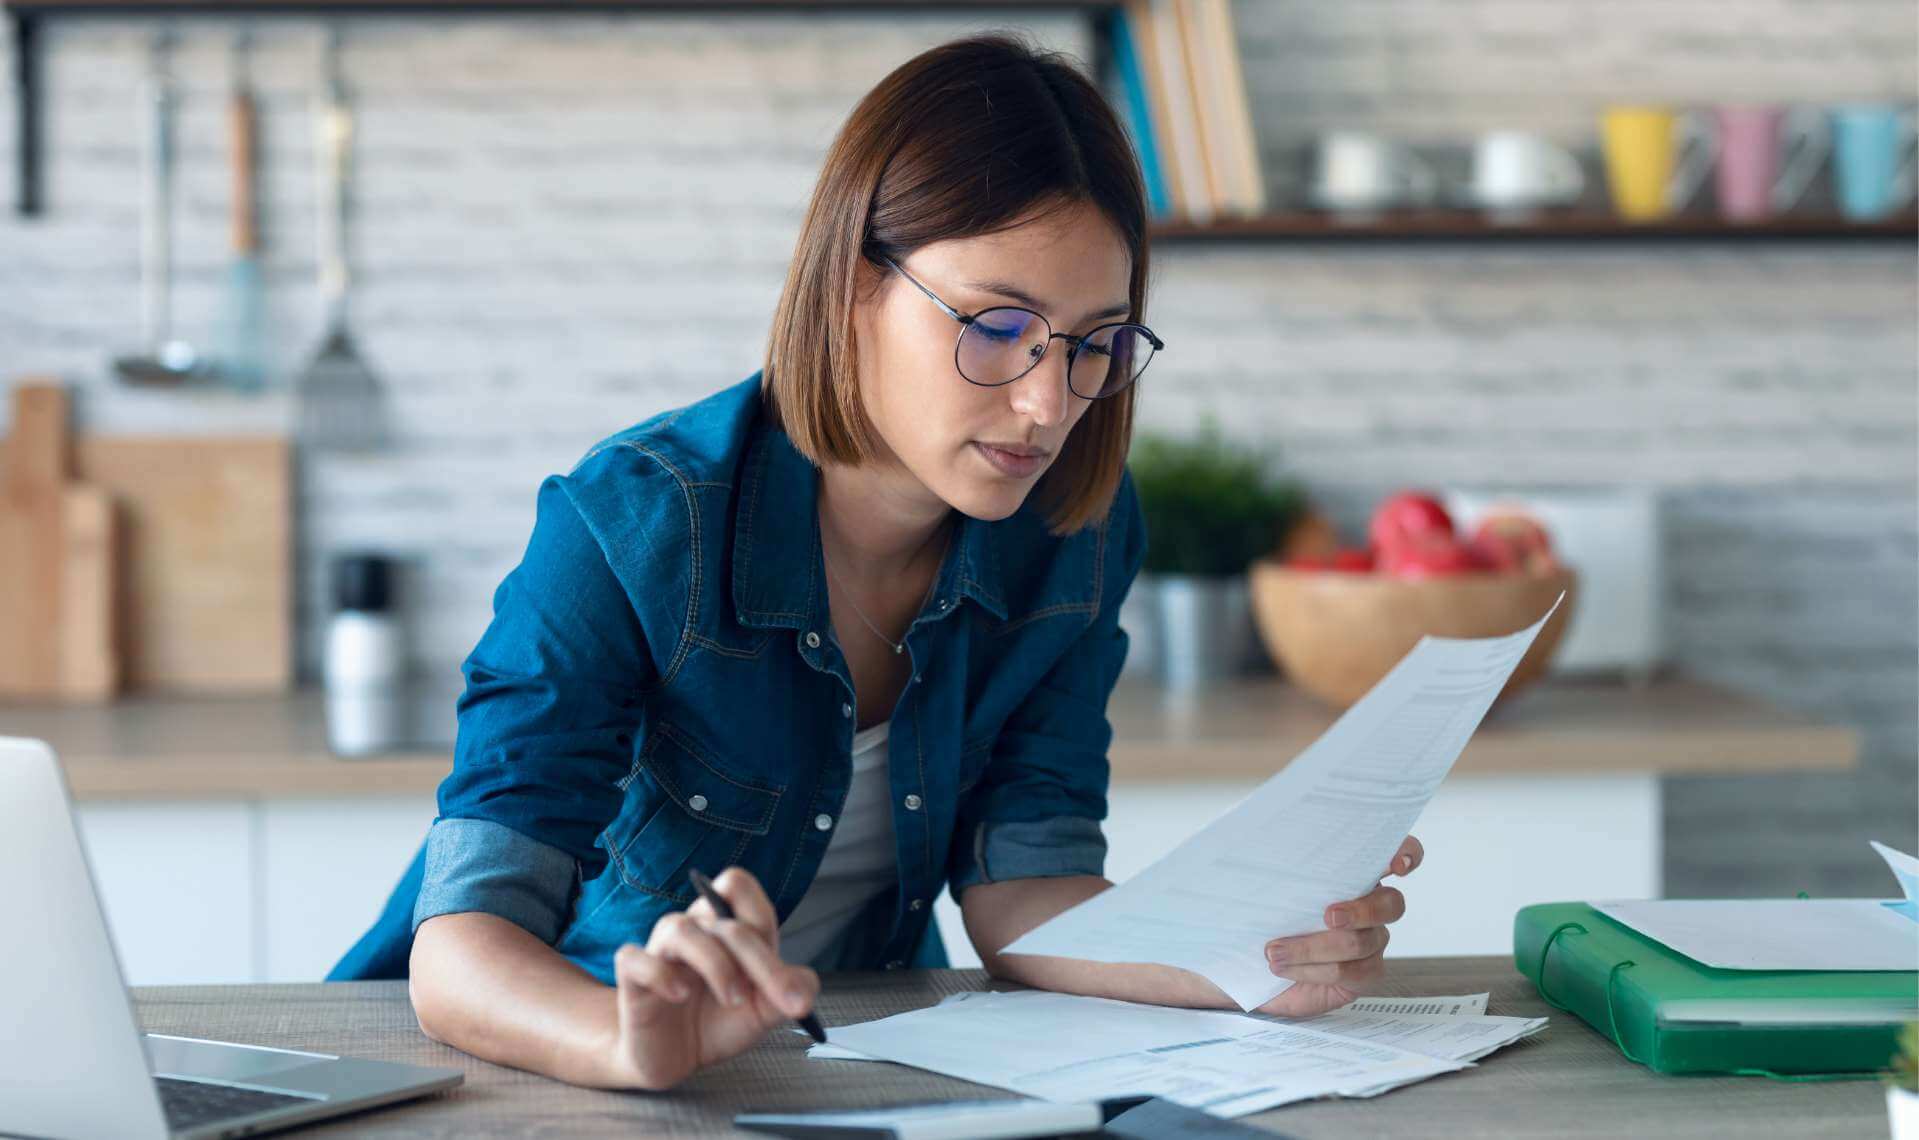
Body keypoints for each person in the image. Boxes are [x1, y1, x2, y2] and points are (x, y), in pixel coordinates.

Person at [330, 31, 1423, 1092]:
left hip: (832, 1065)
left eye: (1096, 343)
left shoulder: (1074, 532)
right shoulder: (630, 524)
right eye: (997, 325)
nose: (1049, 404)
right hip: (545, 1067)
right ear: (854, 286)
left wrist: (1247, 965)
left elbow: (1020, 888)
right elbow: (464, 944)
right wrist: (624, 1042)